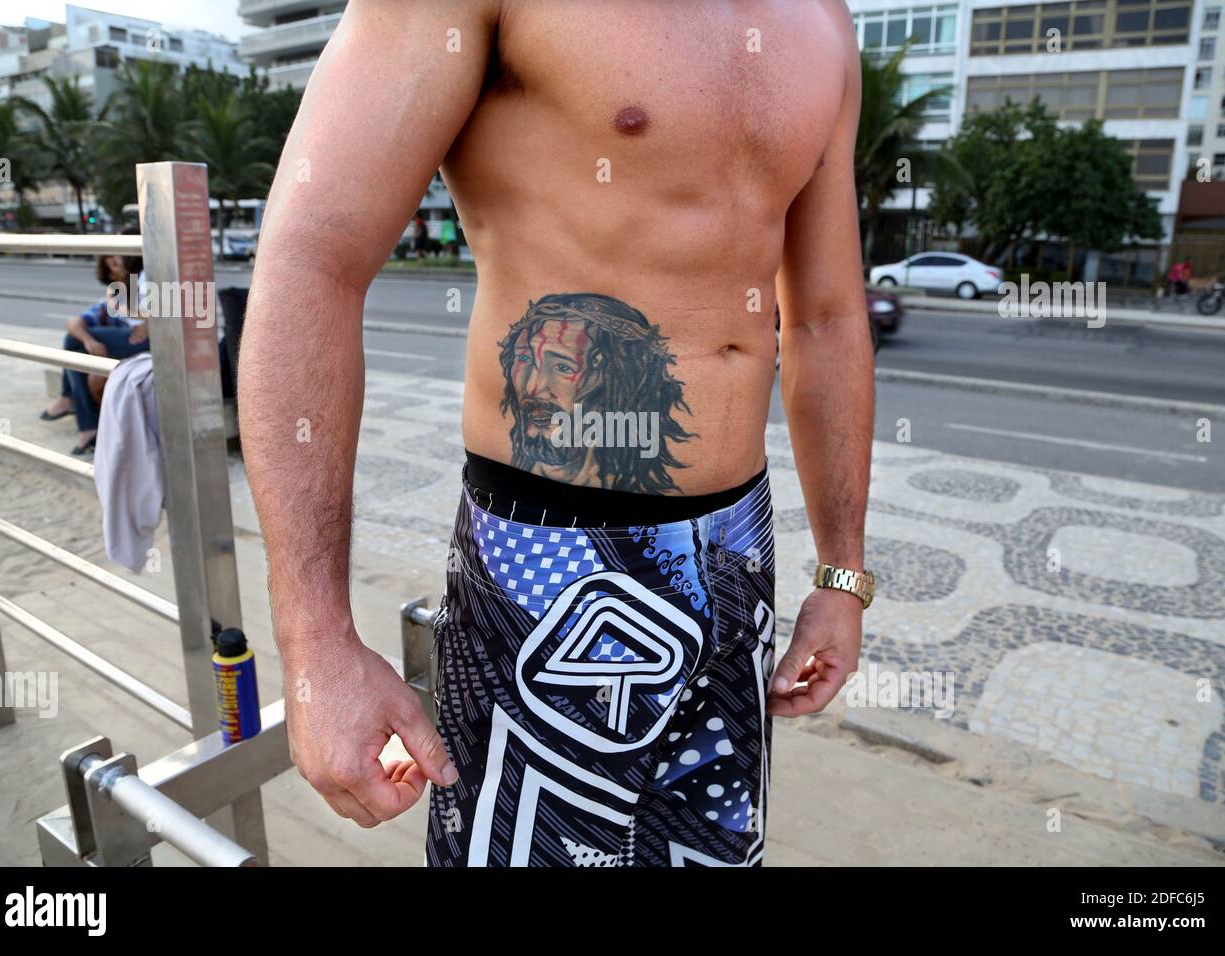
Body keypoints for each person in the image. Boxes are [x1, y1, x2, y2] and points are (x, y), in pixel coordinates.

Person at [239, 0, 874, 868]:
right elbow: (312, 255)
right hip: (550, 559)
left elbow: (827, 321)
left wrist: (842, 575)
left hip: (738, 551)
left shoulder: (820, 19)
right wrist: (317, 643)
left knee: (715, 854)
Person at [40, 236, 149, 455]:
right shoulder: (114, 298)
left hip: (149, 342)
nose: (114, 266)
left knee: (74, 342)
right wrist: (90, 341)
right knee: (78, 343)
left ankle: (74, 406)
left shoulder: (147, 281)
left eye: (118, 260)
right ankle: (86, 424)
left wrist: (150, 324)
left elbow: (169, 311)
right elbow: (73, 322)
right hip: (129, 340)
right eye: (109, 267)